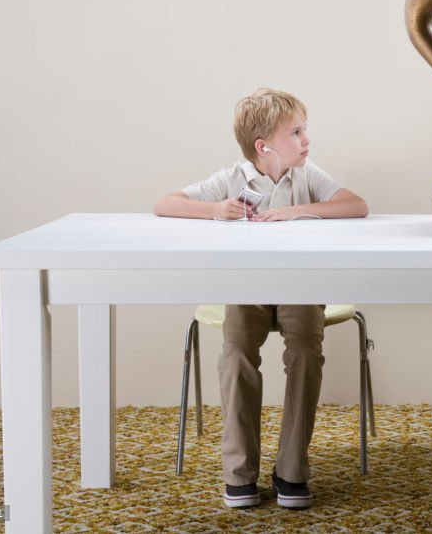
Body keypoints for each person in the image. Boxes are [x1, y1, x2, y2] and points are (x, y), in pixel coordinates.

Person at [154, 88, 368, 510]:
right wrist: (216, 210)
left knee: (307, 351)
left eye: (305, 130)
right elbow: (166, 203)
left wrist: (292, 212)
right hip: (247, 285)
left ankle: (292, 468)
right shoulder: (232, 179)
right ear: (263, 146)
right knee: (235, 353)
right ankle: (240, 473)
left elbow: (356, 205)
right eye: (297, 132)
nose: (307, 140)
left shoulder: (307, 175)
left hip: (300, 285)